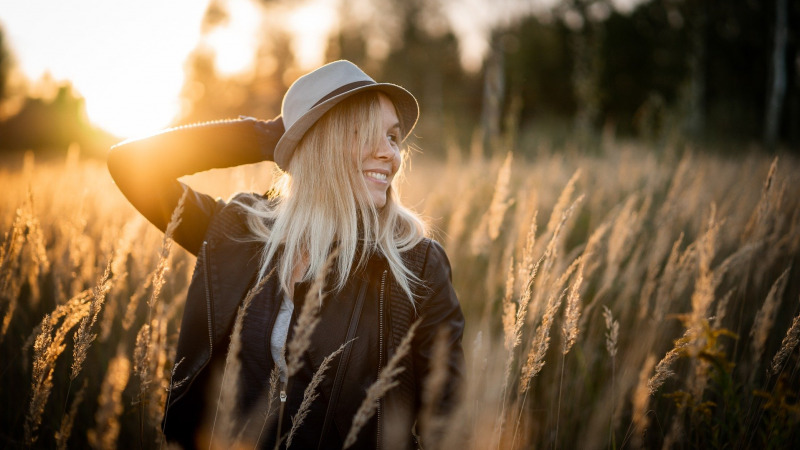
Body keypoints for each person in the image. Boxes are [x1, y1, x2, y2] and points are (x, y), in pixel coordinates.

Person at [108, 60, 465, 449]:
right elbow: (130, 164)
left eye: (393, 137)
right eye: (365, 133)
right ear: (319, 142)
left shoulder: (417, 264)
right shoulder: (241, 234)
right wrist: (273, 136)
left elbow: (447, 422)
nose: (389, 154)